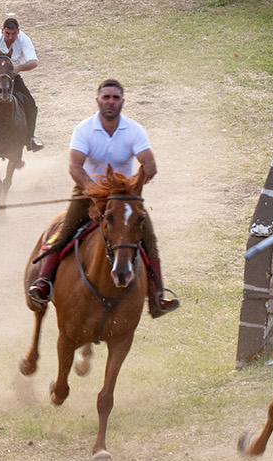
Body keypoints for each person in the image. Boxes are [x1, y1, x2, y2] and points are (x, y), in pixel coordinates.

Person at [25, 79, 177, 317]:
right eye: (106, 97)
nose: (110, 102)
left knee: (148, 237)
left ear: (122, 102)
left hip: (124, 196)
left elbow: (149, 165)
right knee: (65, 233)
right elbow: (75, 167)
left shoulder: (134, 130)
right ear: (98, 101)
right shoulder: (84, 129)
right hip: (87, 192)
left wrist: (133, 188)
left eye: (115, 98)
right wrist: (94, 191)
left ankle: (156, 296)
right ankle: (44, 282)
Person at [0, 15, 43, 151]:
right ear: (2, 31)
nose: (10, 37)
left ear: (18, 32)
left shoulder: (23, 39)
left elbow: (34, 62)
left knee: (30, 104)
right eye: (7, 33)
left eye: (13, 34)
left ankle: (29, 138)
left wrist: (17, 69)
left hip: (13, 77)